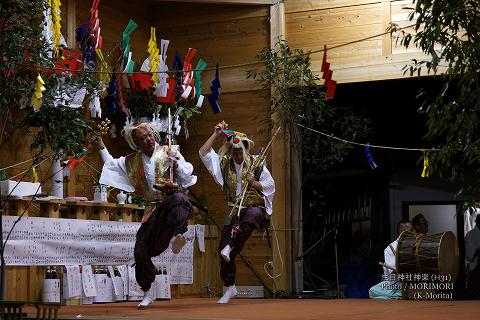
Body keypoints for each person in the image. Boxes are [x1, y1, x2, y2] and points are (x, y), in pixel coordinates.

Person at [96, 122, 197, 309]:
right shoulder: (132, 161)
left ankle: (178, 236)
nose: (148, 139)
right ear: (136, 143)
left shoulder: (169, 151)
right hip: (152, 209)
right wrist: (100, 143)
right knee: (140, 249)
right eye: (143, 138)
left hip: (170, 202)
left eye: (149, 135)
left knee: (179, 198)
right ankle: (147, 293)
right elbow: (110, 163)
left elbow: (187, 175)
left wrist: (177, 164)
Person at [199, 121, 275, 304]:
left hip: (254, 206)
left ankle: (231, 245)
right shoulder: (224, 164)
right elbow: (203, 153)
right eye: (235, 151)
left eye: (240, 151)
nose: (238, 155)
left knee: (250, 218)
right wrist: (215, 134)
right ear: (230, 151)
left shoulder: (256, 163)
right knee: (222, 251)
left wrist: (254, 183)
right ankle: (230, 287)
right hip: (234, 207)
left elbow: (271, 185)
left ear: (246, 149)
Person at [369, 220, 414, 299]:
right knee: (372, 291)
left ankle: (401, 295)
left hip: (411, 282)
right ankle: (400, 295)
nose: (413, 233)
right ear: (402, 232)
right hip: (396, 284)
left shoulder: (415, 245)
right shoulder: (391, 248)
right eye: (411, 230)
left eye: (413, 230)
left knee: (374, 293)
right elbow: (394, 271)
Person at [465, 215, 480, 298]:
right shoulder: (471, 234)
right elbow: (469, 255)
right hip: (475, 269)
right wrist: (477, 251)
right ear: (477, 222)